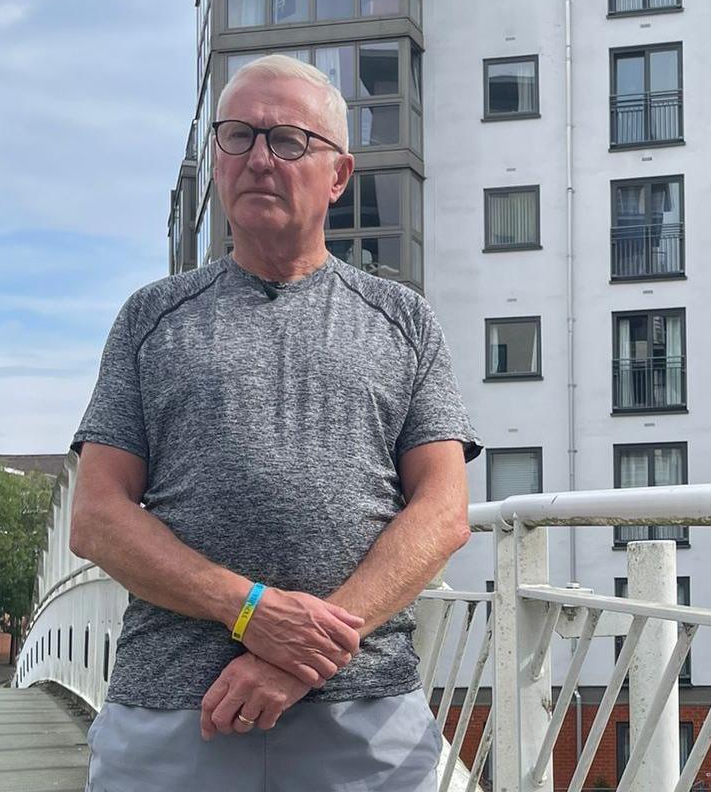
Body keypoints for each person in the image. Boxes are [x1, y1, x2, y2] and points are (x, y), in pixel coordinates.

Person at [68, 54, 481, 790]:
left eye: (287, 139)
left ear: (339, 175)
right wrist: (249, 612)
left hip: (366, 714)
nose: (258, 157)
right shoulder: (149, 318)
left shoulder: (404, 321)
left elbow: (444, 512)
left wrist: (297, 653)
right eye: (238, 136)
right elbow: (96, 517)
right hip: (174, 714)